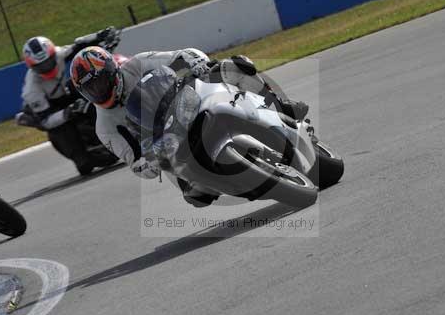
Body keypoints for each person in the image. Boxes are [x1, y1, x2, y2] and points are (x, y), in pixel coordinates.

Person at [69, 46, 309, 206]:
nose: (98, 91)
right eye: (91, 89)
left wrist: (198, 64)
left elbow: (181, 56)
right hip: (167, 141)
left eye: (100, 83)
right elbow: (132, 158)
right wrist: (145, 164)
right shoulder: (104, 126)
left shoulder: (138, 64)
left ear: (113, 70)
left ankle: (281, 106)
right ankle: (242, 184)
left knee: (234, 66)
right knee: (197, 196)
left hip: (187, 102)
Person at [19, 28, 119, 175]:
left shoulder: (59, 54)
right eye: (40, 66)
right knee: (84, 164)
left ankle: (112, 125)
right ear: (32, 66)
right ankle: (81, 154)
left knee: (87, 83)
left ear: (53, 54)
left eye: (49, 61)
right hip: (52, 110)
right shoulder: (31, 90)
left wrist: (101, 36)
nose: (47, 67)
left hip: (64, 93)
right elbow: (46, 120)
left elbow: (80, 46)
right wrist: (69, 111)